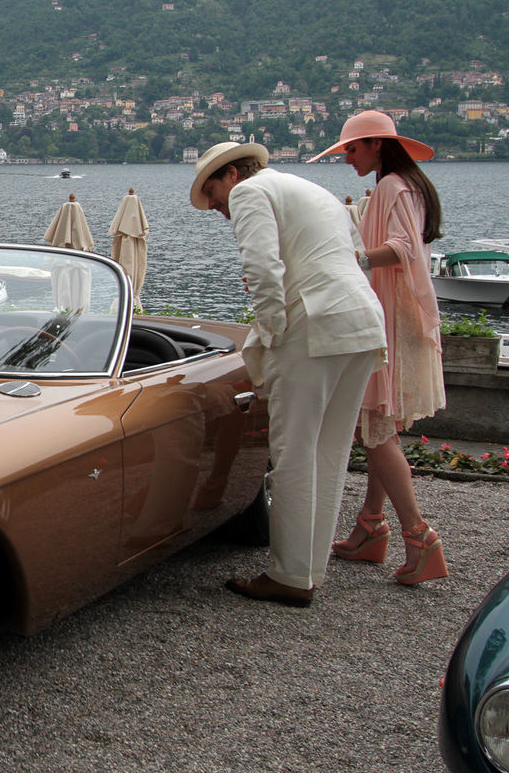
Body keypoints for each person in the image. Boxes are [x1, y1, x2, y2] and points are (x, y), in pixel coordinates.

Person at [191, 141, 386, 607]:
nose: (216, 205)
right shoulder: (310, 189)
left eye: (213, 191)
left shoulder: (250, 193)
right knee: (329, 452)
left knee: (293, 453)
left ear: (233, 174)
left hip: (312, 328)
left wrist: (273, 331)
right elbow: (352, 256)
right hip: (360, 322)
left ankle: (289, 576)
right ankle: (306, 569)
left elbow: (260, 266)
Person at [309, 111, 449, 584]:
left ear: (374, 145)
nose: (347, 158)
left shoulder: (392, 186)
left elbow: (404, 248)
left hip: (390, 315)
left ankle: (421, 538)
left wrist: (349, 259)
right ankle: (371, 528)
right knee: (378, 424)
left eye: (351, 149)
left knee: (377, 430)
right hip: (402, 312)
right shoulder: (407, 183)